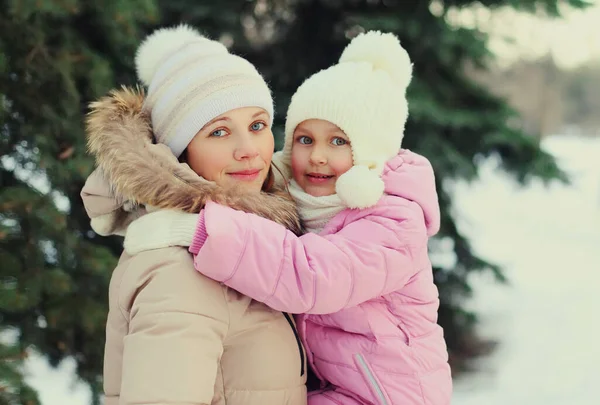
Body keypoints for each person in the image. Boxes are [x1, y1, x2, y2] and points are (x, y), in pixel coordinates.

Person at [127, 31, 453, 404]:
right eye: (304, 139)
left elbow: (311, 275)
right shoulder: (300, 207)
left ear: (372, 152)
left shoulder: (392, 221)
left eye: (339, 141)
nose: (316, 156)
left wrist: (199, 231)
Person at [80, 25, 307, 405]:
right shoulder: (181, 269)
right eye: (219, 132)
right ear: (180, 153)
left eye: (257, 125)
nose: (249, 149)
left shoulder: (249, 243)